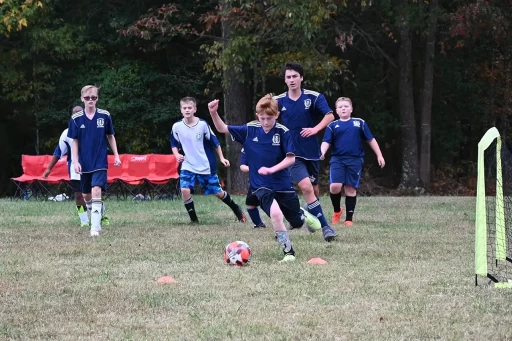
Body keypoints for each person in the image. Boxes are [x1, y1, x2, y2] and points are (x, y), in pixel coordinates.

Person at [208, 94, 322, 262]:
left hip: (282, 183)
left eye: (269, 118)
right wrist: (213, 113)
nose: (266, 122)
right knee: (276, 214)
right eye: (262, 118)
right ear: (257, 116)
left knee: (296, 222)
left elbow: (291, 158)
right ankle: (288, 253)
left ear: (276, 115)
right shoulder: (249, 129)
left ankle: (302, 214)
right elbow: (222, 128)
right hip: (260, 185)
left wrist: (271, 170)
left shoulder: (283, 132)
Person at [273, 61, 337, 241]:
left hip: (311, 151)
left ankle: (311, 217)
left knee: (314, 189)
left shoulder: (314, 97)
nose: (292, 80)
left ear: (301, 78)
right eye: (288, 77)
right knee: (306, 187)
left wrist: (315, 129)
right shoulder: (278, 101)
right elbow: (266, 118)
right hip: (292, 154)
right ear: (285, 80)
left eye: (295, 76)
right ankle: (326, 227)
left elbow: (330, 115)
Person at [171, 96, 246, 224]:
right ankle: (194, 220)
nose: (187, 110)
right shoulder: (177, 126)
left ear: (195, 109)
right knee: (184, 189)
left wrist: (222, 158)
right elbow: (174, 143)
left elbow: (215, 143)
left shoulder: (202, 125)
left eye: (190, 107)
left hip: (205, 165)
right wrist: (176, 154)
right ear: (181, 110)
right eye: (185, 108)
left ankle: (236, 208)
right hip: (188, 165)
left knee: (217, 192)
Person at [320, 97, 385, 226]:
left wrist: (379, 155)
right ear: (336, 111)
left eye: (346, 106)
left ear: (351, 109)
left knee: (350, 188)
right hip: (338, 159)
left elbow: (370, 139)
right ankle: (337, 211)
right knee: (335, 186)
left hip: (355, 160)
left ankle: (349, 219)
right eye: (340, 107)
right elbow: (326, 141)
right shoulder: (332, 126)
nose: (343, 108)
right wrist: (322, 152)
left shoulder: (359, 123)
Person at [68, 85, 121, 237]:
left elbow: (111, 136)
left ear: (97, 98)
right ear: (82, 99)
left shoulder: (105, 116)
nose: (90, 100)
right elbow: (75, 141)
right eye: (87, 98)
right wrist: (75, 161)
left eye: (93, 97)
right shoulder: (76, 119)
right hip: (84, 162)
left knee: (96, 189)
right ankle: (98, 211)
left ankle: (95, 227)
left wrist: (116, 155)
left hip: (100, 161)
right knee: (86, 195)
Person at [44, 106, 110, 228]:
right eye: (75, 113)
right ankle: (83, 219)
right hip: (75, 170)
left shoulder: (94, 129)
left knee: (94, 193)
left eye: (80, 112)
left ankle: (101, 215)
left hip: (93, 167)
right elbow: (58, 152)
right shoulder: (66, 133)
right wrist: (48, 169)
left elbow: (103, 148)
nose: (78, 115)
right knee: (79, 195)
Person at [240, 148, 266, 228]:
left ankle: (294, 220)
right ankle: (258, 224)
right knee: (251, 204)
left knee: (274, 203)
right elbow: (242, 166)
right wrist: (253, 168)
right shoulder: (246, 148)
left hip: (272, 179)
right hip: (256, 182)